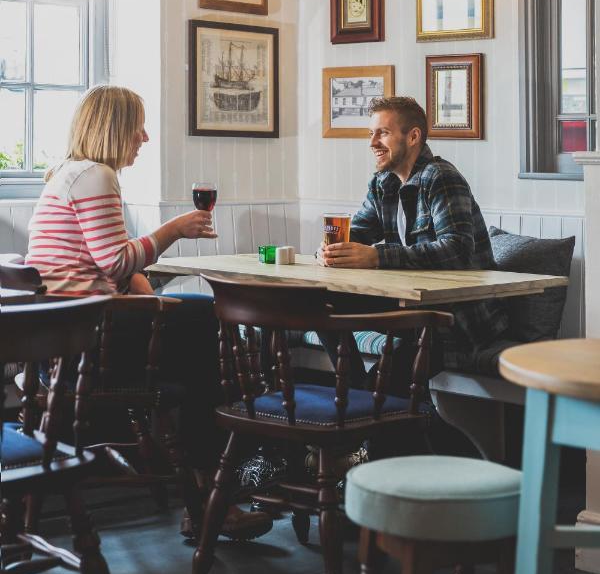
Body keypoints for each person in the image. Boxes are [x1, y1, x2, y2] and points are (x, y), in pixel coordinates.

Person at [26, 84, 272, 541]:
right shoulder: (96, 177)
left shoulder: (68, 174)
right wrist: (174, 229)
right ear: (116, 127)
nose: (144, 137)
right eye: (138, 126)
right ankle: (220, 489)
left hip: (61, 339)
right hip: (86, 339)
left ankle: (214, 493)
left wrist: (142, 286)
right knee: (215, 327)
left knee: (206, 350)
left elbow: (106, 265)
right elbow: (116, 261)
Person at [317, 95, 509, 388]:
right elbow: (359, 232)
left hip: (453, 321)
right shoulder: (383, 183)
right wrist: (332, 249)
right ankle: (357, 390)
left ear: (413, 136)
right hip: (408, 314)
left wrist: (377, 257)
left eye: (382, 132)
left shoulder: (441, 177)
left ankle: (362, 398)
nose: (372, 143)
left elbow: (456, 249)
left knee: (378, 392)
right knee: (319, 301)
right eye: (371, 134)